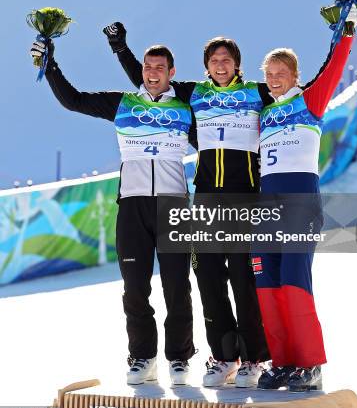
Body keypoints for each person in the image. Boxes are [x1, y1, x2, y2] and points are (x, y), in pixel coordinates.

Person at [104, 24, 270, 388]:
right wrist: (121, 48)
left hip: (245, 197)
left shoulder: (258, 93)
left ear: (238, 65)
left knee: (244, 281)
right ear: (206, 67)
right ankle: (224, 356)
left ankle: (254, 357)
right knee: (210, 280)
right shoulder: (196, 95)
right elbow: (150, 81)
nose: (220, 65)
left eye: (226, 59)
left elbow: (294, 93)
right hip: (207, 197)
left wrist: (342, 36)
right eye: (214, 60)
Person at [30, 38, 196, 386]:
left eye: (160, 68)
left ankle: (179, 358)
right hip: (132, 206)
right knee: (135, 289)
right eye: (148, 67)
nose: (153, 73)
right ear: (142, 71)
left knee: (177, 287)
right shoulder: (123, 104)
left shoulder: (186, 107)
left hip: (173, 206)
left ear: (172, 73)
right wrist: (51, 65)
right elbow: (73, 100)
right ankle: (142, 356)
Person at [253, 4, 357, 391]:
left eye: (282, 74)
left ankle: (309, 363)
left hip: (299, 203)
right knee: (267, 282)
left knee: (295, 279)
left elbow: (333, 69)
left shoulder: (309, 101)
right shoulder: (262, 114)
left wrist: (345, 31)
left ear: (295, 76)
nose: (276, 79)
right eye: (270, 74)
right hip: (266, 208)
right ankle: (282, 362)